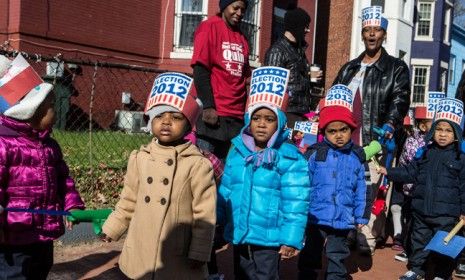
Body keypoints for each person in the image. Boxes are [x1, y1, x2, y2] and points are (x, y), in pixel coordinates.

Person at [101, 73, 217, 279]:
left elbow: (204, 215)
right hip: (141, 246)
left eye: (176, 117)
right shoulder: (139, 158)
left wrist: (199, 251)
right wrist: (112, 228)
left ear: (188, 123)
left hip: (176, 253)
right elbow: (128, 199)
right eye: (160, 116)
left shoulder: (197, 164)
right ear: (151, 120)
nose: (166, 122)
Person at [332, 5, 411, 254]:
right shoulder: (349, 68)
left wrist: (389, 124)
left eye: (377, 30)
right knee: (347, 184)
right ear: (363, 33)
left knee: (373, 188)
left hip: (376, 138)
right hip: (347, 137)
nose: (372, 34)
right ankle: (347, 230)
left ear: (384, 34)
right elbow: (335, 96)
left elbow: (400, 99)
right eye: (368, 30)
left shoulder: (396, 68)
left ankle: (368, 235)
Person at [217, 74, 310, 279]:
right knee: (241, 275)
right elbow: (225, 189)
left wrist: (291, 239)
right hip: (239, 232)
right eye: (256, 118)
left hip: (269, 237)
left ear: (280, 124)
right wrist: (217, 219)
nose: (261, 124)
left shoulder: (289, 157)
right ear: (248, 121)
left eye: (269, 119)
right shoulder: (237, 152)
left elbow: (296, 203)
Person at [0, 54, 85, 279]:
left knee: (40, 271)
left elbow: (63, 180)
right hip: (11, 238)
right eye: (50, 106)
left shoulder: (49, 145)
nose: (55, 111)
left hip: (43, 233)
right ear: (30, 111)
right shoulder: (4, 144)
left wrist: (73, 204)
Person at [378, 98, 465, 280]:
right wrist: (389, 171)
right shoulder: (425, 152)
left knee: (444, 246)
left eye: (448, 131)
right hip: (421, 210)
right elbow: (410, 172)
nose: (442, 134)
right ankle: (417, 270)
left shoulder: (460, 158)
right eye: (439, 129)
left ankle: (442, 274)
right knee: (418, 242)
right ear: (432, 131)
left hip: (447, 214)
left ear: (457, 134)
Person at [298, 85, 371, 280]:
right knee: (310, 252)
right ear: (324, 132)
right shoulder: (315, 153)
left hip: (343, 216)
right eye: (332, 131)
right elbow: (303, 183)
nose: (338, 135)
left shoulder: (357, 156)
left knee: (338, 255)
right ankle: (307, 275)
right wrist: (301, 209)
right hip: (315, 216)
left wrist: (361, 216)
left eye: (343, 130)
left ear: (351, 130)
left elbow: (363, 188)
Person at [191, 0, 251, 161]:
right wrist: (208, 106)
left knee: (224, 173)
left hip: (235, 117)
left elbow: (246, 78)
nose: (239, 13)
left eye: (243, 10)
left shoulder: (242, 38)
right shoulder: (209, 27)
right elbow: (200, 69)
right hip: (214, 114)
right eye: (235, 8)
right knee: (204, 170)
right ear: (224, 6)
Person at [391, 97, 437, 263]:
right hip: (412, 186)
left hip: (428, 189)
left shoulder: (437, 142)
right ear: (424, 126)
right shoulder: (413, 141)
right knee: (412, 220)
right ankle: (407, 248)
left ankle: (424, 252)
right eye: (433, 123)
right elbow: (406, 162)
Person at [264, 7, 323, 128]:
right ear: (296, 26)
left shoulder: (299, 51)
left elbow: (299, 81)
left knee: (301, 146)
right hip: (287, 113)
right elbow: (270, 89)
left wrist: (312, 78)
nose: (308, 30)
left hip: (302, 112)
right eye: (305, 26)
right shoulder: (277, 51)